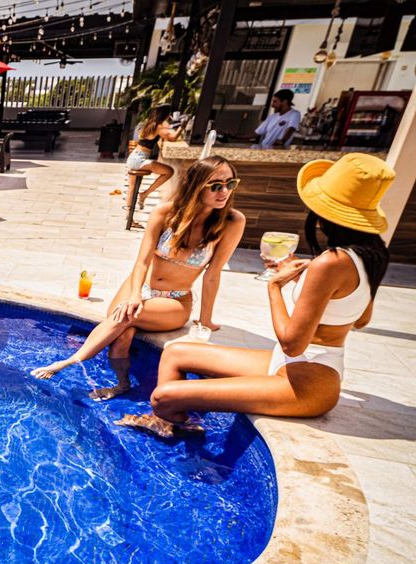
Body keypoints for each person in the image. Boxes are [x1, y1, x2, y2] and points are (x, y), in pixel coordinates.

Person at [118, 153, 393, 437]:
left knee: (163, 396)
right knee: (175, 353)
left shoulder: (331, 262)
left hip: (305, 383)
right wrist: (313, 285)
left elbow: (292, 345)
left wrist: (274, 286)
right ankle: (168, 424)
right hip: (306, 366)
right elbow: (361, 319)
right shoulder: (372, 255)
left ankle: (173, 422)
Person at [33, 156, 245, 401]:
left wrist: (205, 320)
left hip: (175, 301)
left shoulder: (231, 222)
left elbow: (213, 274)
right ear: (196, 185)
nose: (225, 192)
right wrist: (135, 294)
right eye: (216, 185)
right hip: (140, 286)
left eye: (231, 184)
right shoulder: (166, 213)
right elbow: (142, 261)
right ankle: (122, 384)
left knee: (126, 316)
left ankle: (68, 361)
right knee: (123, 330)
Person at [125, 105, 180, 212]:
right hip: (139, 159)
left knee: (132, 188)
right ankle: (145, 194)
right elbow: (173, 138)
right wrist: (183, 126)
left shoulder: (150, 124)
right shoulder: (158, 126)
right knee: (169, 171)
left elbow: (166, 131)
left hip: (134, 157)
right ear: (166, 115)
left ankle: (129, 217)